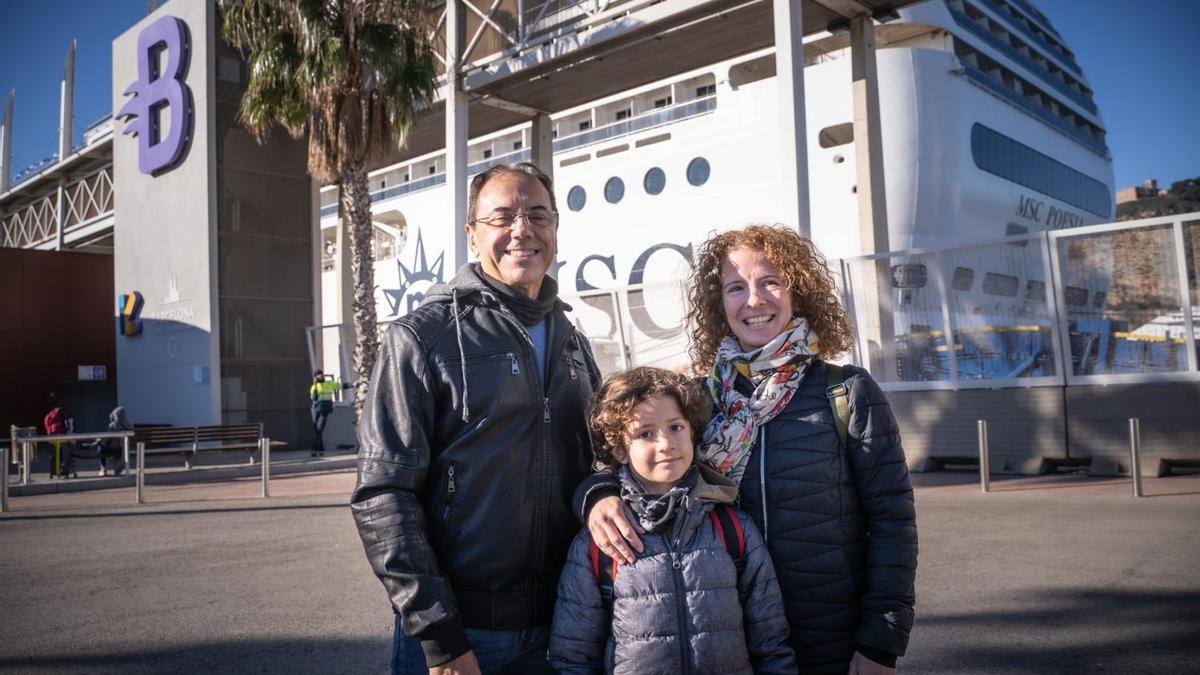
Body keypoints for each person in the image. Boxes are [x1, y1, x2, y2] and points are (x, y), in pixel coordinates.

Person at [580, 224, 918, 674]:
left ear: (798, 292)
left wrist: (881, 640)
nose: (754, 300)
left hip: (829, 641)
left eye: (770, 282)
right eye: (736, 288)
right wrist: (598, 495)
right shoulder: (697, 400)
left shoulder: (847, 392)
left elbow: (892, 522)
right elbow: (624, 461)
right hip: (727, 642)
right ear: (720, 305)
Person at [351, 162, 602, 675]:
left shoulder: (573, 343)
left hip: (566, 623)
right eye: (502, 216)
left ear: (555, 227)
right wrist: (438, 632)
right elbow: (383, 492)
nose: (522, 231)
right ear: (472, 234)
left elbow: (599, 459)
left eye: (538, 215)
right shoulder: (424, 338)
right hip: (464, 633)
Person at [548, 367, 796, 674]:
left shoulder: (734, 529)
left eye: (676, 427)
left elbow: (771, 642)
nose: (665, 443)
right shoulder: (597, 544)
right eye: (646, 433)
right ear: (619, 449)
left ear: (692, 431)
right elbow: (573, 658)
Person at [97, 406, 133, 477]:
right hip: (122, 451)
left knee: (100, 447)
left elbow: (105, 440)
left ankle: (103, 469)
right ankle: (117, 470)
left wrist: (99, 441)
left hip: (112, 450)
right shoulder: (129, 426)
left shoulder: (113, 426)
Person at [309, 370, 338, 457]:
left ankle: (314, 450)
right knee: (317, 431)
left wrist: (353, 385)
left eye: (321, 375)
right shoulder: (313, 387)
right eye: (318, 375)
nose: (320, 377)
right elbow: (314, 398)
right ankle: (321, 450)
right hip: (315, 409)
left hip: (324, 410)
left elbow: (340, 386)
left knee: (319, 429)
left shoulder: (329, 384)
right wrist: (315, 386)